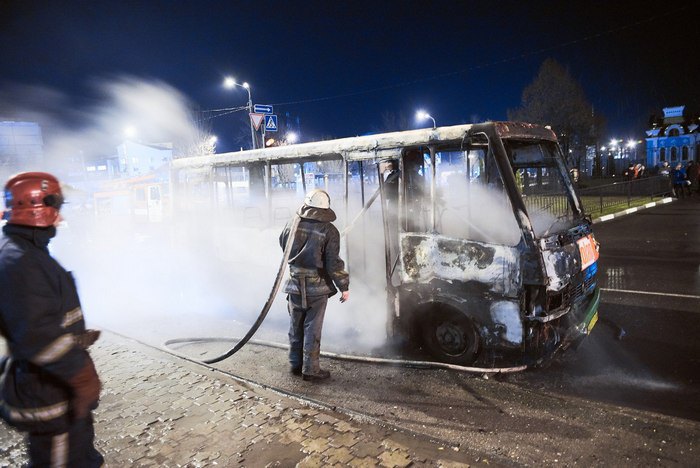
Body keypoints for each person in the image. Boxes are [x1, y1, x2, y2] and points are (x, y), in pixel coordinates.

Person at [0, 172, 103, 467]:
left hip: (58, 393)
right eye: (56, 206)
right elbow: (38, 334)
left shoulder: (25, 251)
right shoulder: (21, 261)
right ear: (39, 206)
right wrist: (82, 374)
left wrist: (76, 338)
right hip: (50, 396)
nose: (59, 216)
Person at [279, 189, 349, 381]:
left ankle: (295, 364)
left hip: (294, 285)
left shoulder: (292, 223)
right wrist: (344, 287)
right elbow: (333, 264)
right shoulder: (329, 231)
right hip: (316, 289)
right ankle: (310, 370)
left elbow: (283, 245)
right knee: (312, 328)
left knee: (296, 325)